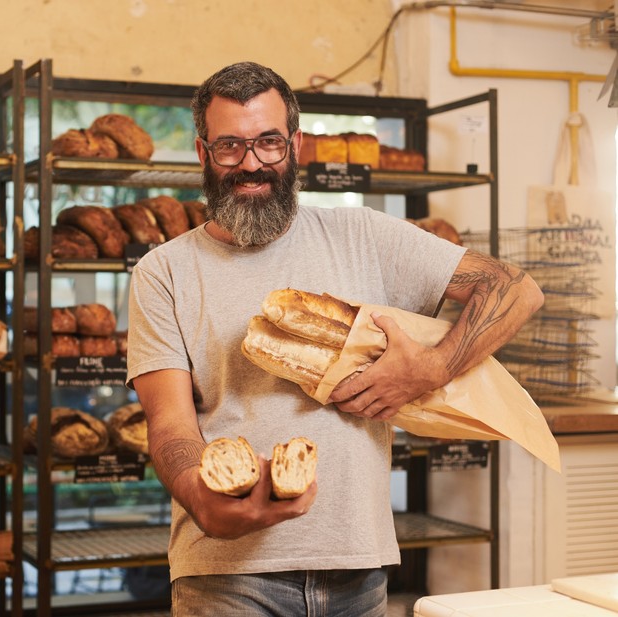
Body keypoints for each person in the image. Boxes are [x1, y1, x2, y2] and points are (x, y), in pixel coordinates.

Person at [125, 61, 543, 617]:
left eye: (269, 143)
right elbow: (171, 425)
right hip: (227, 577)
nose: (251, 165)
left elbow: (515, 289)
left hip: (359, 568)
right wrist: (198, 492)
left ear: (295, 145)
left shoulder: (364, 236)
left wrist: (433, 367)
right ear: (204, 154)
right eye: (230, 147)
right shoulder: (163, 271)